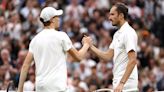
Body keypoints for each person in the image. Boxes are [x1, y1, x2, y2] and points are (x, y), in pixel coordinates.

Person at [17, 7, 92, 92]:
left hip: (40, 88)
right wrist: (86, 44)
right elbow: (79, 57)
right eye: (57, 16)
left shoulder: (35, 40)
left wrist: (20, 90)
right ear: (52, 19)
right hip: (57, 87)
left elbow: (25, 66)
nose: (59, 19)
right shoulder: (61, 36)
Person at [89, 3, 138, 92]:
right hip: (119, 85)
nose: (109, 18)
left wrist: (122, 83)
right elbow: (107, 56)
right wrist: (90, 46)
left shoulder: (128, 33)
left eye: (112, 14)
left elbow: (133, 60)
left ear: (121, 16)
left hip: (127, 87)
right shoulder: (117, 34)